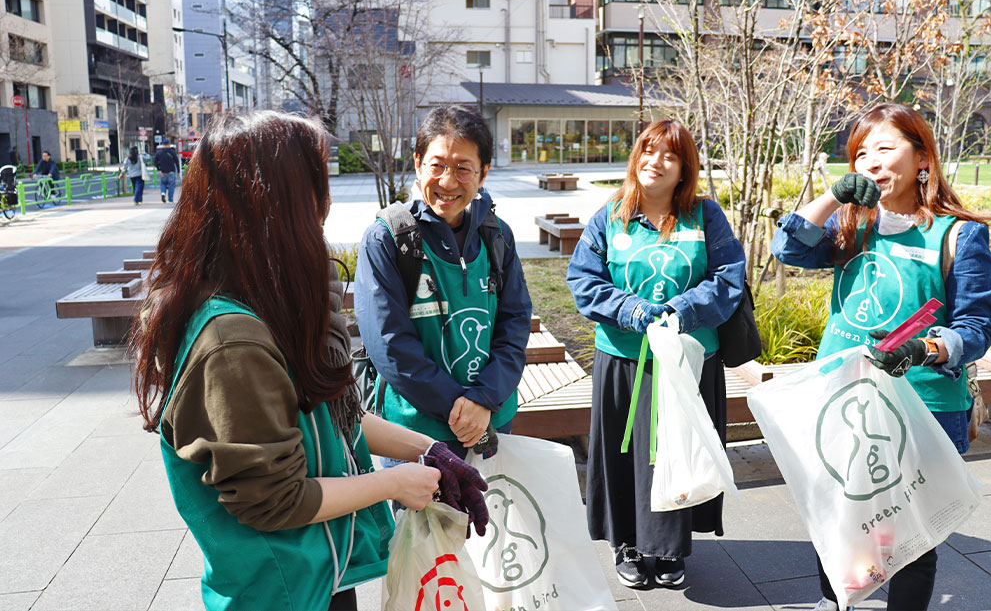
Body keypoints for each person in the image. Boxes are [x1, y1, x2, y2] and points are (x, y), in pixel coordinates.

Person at [131, 111, 489, 611]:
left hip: (318, 575)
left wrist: (427, 450)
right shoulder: (231, 342)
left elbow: (328, 415)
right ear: (277, 202)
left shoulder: (267, 298)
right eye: (318, 184)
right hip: (280, 590)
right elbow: (275, 499)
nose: (327, 204)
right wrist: (393, 482)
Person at [770, 103, 991, 611]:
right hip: (845, 395)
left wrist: (926, 349)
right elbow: (786, 249)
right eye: (860, 154)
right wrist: (831, 197)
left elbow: (978, 326)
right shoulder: (851, 226)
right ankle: (834, 602)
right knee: (838, 513)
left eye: (885, 147)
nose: (871, 162)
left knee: (913, 532)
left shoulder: (957, 234)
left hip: (924, 403)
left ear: (922, 158)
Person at [566, 119, 746, 589]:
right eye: (648, 150)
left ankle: (669, 548)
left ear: (685, 168)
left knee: (677, 451)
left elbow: (729, 276)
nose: (655, 161)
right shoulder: (611, 216)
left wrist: (682, 311)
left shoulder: (705, 216)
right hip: (623, 360)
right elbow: (582, 280)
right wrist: (633, 310)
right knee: (624, 454)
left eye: (669, 155)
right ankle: (626, 542)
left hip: (689, 360)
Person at [354, 104, 532, 462]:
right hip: (415, 437)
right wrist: (463, 411)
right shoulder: (387, 239)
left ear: (484, 173)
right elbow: (390, 345)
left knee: (490, 502)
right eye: (437, 166)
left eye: (463, 168)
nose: (448, 182)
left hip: (491, 424)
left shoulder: (497, 235)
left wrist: (484, 399)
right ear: (418, 163)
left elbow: (514, 323)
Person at [154, 137, 181, 203]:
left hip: (163, 172)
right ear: (169, 144)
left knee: (163, 184)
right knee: (171, 185)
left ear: (163, 144)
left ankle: (163, 193)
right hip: (171, 171)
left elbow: (155, 161)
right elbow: (177, 162)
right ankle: (170, 199)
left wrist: (159, 169)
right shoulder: (172, 152)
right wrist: (178, 172)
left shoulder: (159, 152)